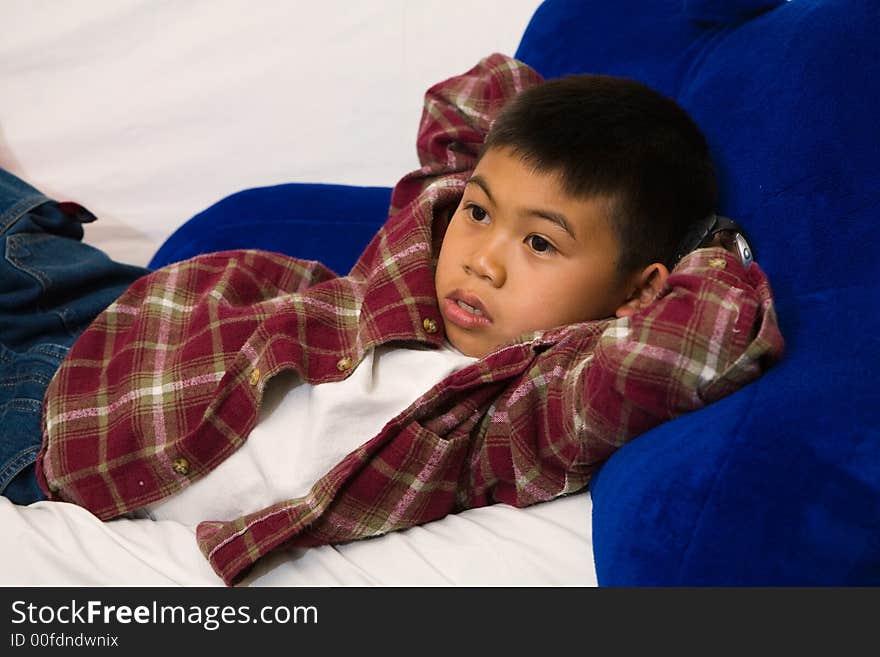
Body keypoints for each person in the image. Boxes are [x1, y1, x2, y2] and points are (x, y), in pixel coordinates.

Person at [2, 54, 783, 584]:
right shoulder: (429, 241)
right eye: (482, 211)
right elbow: (474, 95)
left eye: (541, 242)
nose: (483, 257)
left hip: (54, 436)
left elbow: (699, 338)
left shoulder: (520, 411)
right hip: (127, 315)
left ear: (637, 293)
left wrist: (703, 250)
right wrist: (500, 185)